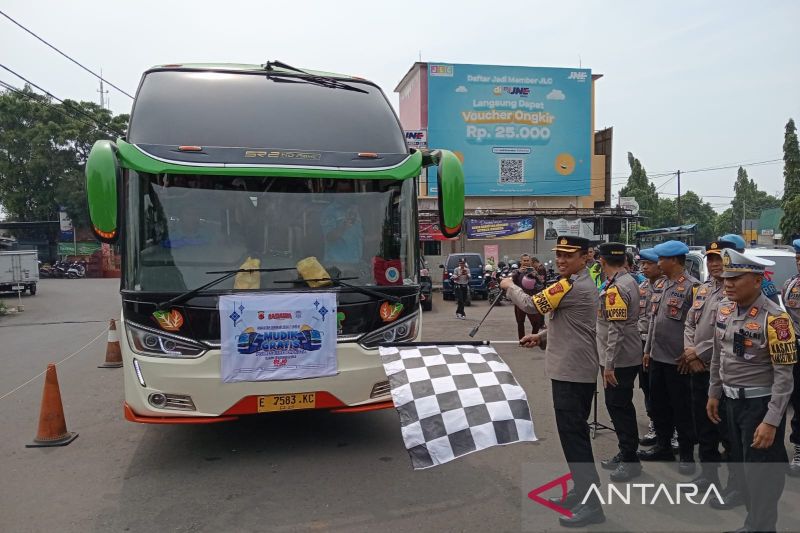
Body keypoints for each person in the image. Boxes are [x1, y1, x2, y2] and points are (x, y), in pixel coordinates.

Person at [501, 236, 604, 528]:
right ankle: (581, 492)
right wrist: (542, 336)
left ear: (585, 257)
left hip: (572, 372)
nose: (561, 260)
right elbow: (571, 323)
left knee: (575, 440)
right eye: (558, 254)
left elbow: (533, 305)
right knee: (574, 436)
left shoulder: (571, 285)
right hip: (574, 370)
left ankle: (592, 504)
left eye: (568, 255)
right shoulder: (576, 283)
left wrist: (510, 287)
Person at [707, 248, 796, 533]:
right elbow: (718, 356)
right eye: (726, 277)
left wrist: (771, 421)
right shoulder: (724, 309)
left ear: (757, 280)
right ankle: (753, 523)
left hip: (760, 407)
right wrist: (714, 392)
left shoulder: (777, 320)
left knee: (762, 476)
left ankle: (762, 526)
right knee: (742, 472)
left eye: (736, 278)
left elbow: (784, 377)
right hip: (731, 404)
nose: (728, 283)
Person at [682, 241, 741, 502]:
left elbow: (726, 333)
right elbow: (689, 322)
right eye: (710, 259)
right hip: (698, 369)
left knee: (727, 431)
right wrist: (689, 351)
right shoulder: (703, 290)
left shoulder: (736, 293)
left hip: (723, 372)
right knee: (703, 425)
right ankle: (709, 474)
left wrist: (699, 352)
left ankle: (737, 486)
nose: (714, 264)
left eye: (719, 259)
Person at [639, 240, 700, 476]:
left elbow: (696, 324)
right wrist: (648, 351)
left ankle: (686, 453)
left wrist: (690, 351)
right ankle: (663, 446)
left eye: (662, 259)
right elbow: (654, 320)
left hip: (679, 360)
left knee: (682, 409)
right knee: (659, 406)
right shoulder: (662, 285)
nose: (658, 263)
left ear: (674, 260)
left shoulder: (693, 287)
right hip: (657, 357)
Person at [595, 242, 643, 482]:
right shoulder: (627, 281)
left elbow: (616, 329)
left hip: (619, 359)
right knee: (621, 405)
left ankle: (630, 459)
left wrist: (609, 365)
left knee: (619, 407)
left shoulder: (616, 287)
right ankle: (626, 451)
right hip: (625, 355)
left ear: (602, 261)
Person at [637, 248, 662, 446]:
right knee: (647, 386)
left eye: (648, 264)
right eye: (642, 264)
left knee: (662, 389)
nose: (644, 267)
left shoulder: (666, 286)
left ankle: (673, 430)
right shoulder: (642, 286)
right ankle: (655, 422)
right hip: (642, 342)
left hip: (662, 345)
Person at [782, 238, 800, 476]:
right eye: (797, 259)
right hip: (794, 348)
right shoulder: (790, 284)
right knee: (796, 400)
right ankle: (798, 448)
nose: (799, 262)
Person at [721, 233, 780, 303]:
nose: (728, 284)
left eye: (735, 278)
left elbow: (772, 307)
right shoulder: (717, 275)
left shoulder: (761, 280)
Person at [321, 180, 363, 264]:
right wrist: (344, 226)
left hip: (356, 262)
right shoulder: (329, 211)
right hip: (337, 265)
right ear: (335, 193)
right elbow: (329, 237)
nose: (344, 195)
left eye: (347, 191)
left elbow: (360, 236)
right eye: (341, 191)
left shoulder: (357, 209)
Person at [511, 254, 545, 340]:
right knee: (520, 322)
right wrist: (519, 272)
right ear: (521, 261)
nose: (526, 262)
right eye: (524, 260)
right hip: (519, 300)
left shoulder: (535, 271)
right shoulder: (516, 272)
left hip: (531, 300)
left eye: (527, 260)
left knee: (536, 323)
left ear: (530, 261)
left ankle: (532, 338)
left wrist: (536, 275)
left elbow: (541, 284)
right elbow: (512, 280)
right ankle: (522, 340)